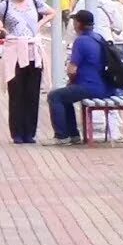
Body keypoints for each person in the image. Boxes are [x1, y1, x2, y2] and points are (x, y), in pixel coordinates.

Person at [0, 0, 56, 144]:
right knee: (16, 92)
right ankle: (17, 133)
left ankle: (30, 132)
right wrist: (1, 29)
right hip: (14, 51)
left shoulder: (35, 3)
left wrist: (40, 25)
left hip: (32, 52)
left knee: (32, 93)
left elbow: (51, 12)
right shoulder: (5, 6)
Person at [46, 10, 113, 145]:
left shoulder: (81, 41)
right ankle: (73, 135)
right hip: (105, 86)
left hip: (89, 87)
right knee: (66, 96)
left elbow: (72, 69)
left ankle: (62, 136)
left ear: (78, 24)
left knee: (54, 96)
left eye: (75, 21)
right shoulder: (98, 37)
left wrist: (71, 80)